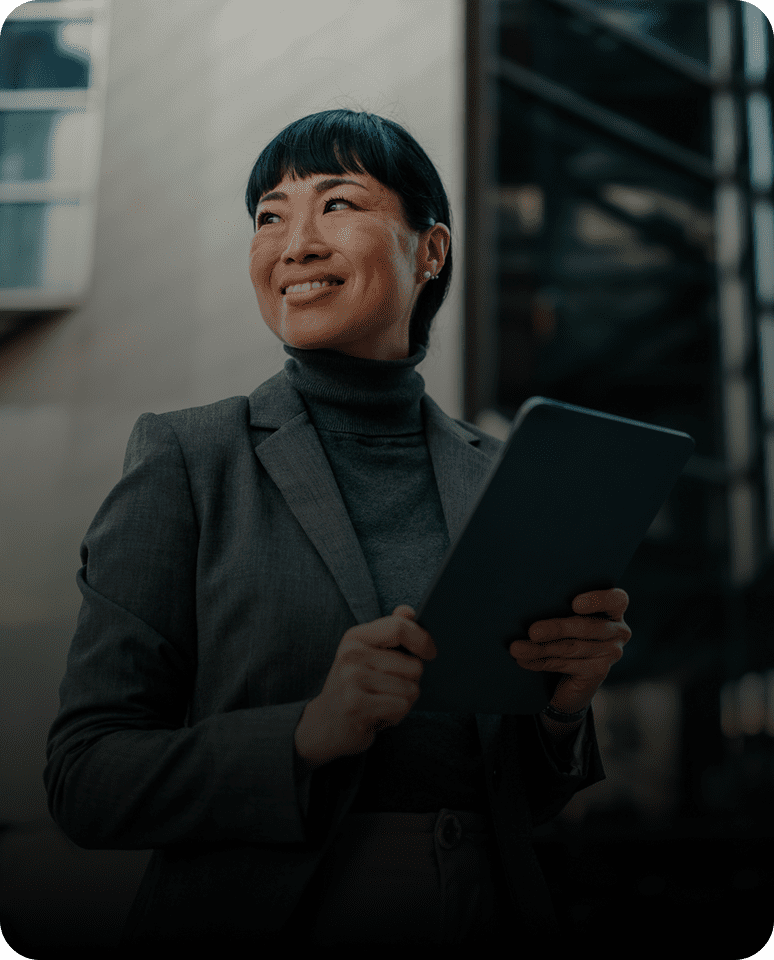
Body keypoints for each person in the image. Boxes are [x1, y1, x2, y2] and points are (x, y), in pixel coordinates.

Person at [43, 109, 632, 952]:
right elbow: (84, 779)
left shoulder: (503, 476)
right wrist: (305, 734)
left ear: (430, 251)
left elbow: (518, 798)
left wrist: (562, 711)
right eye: (270, 216)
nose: (296, 244)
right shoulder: (188, 457)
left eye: (339, 204)